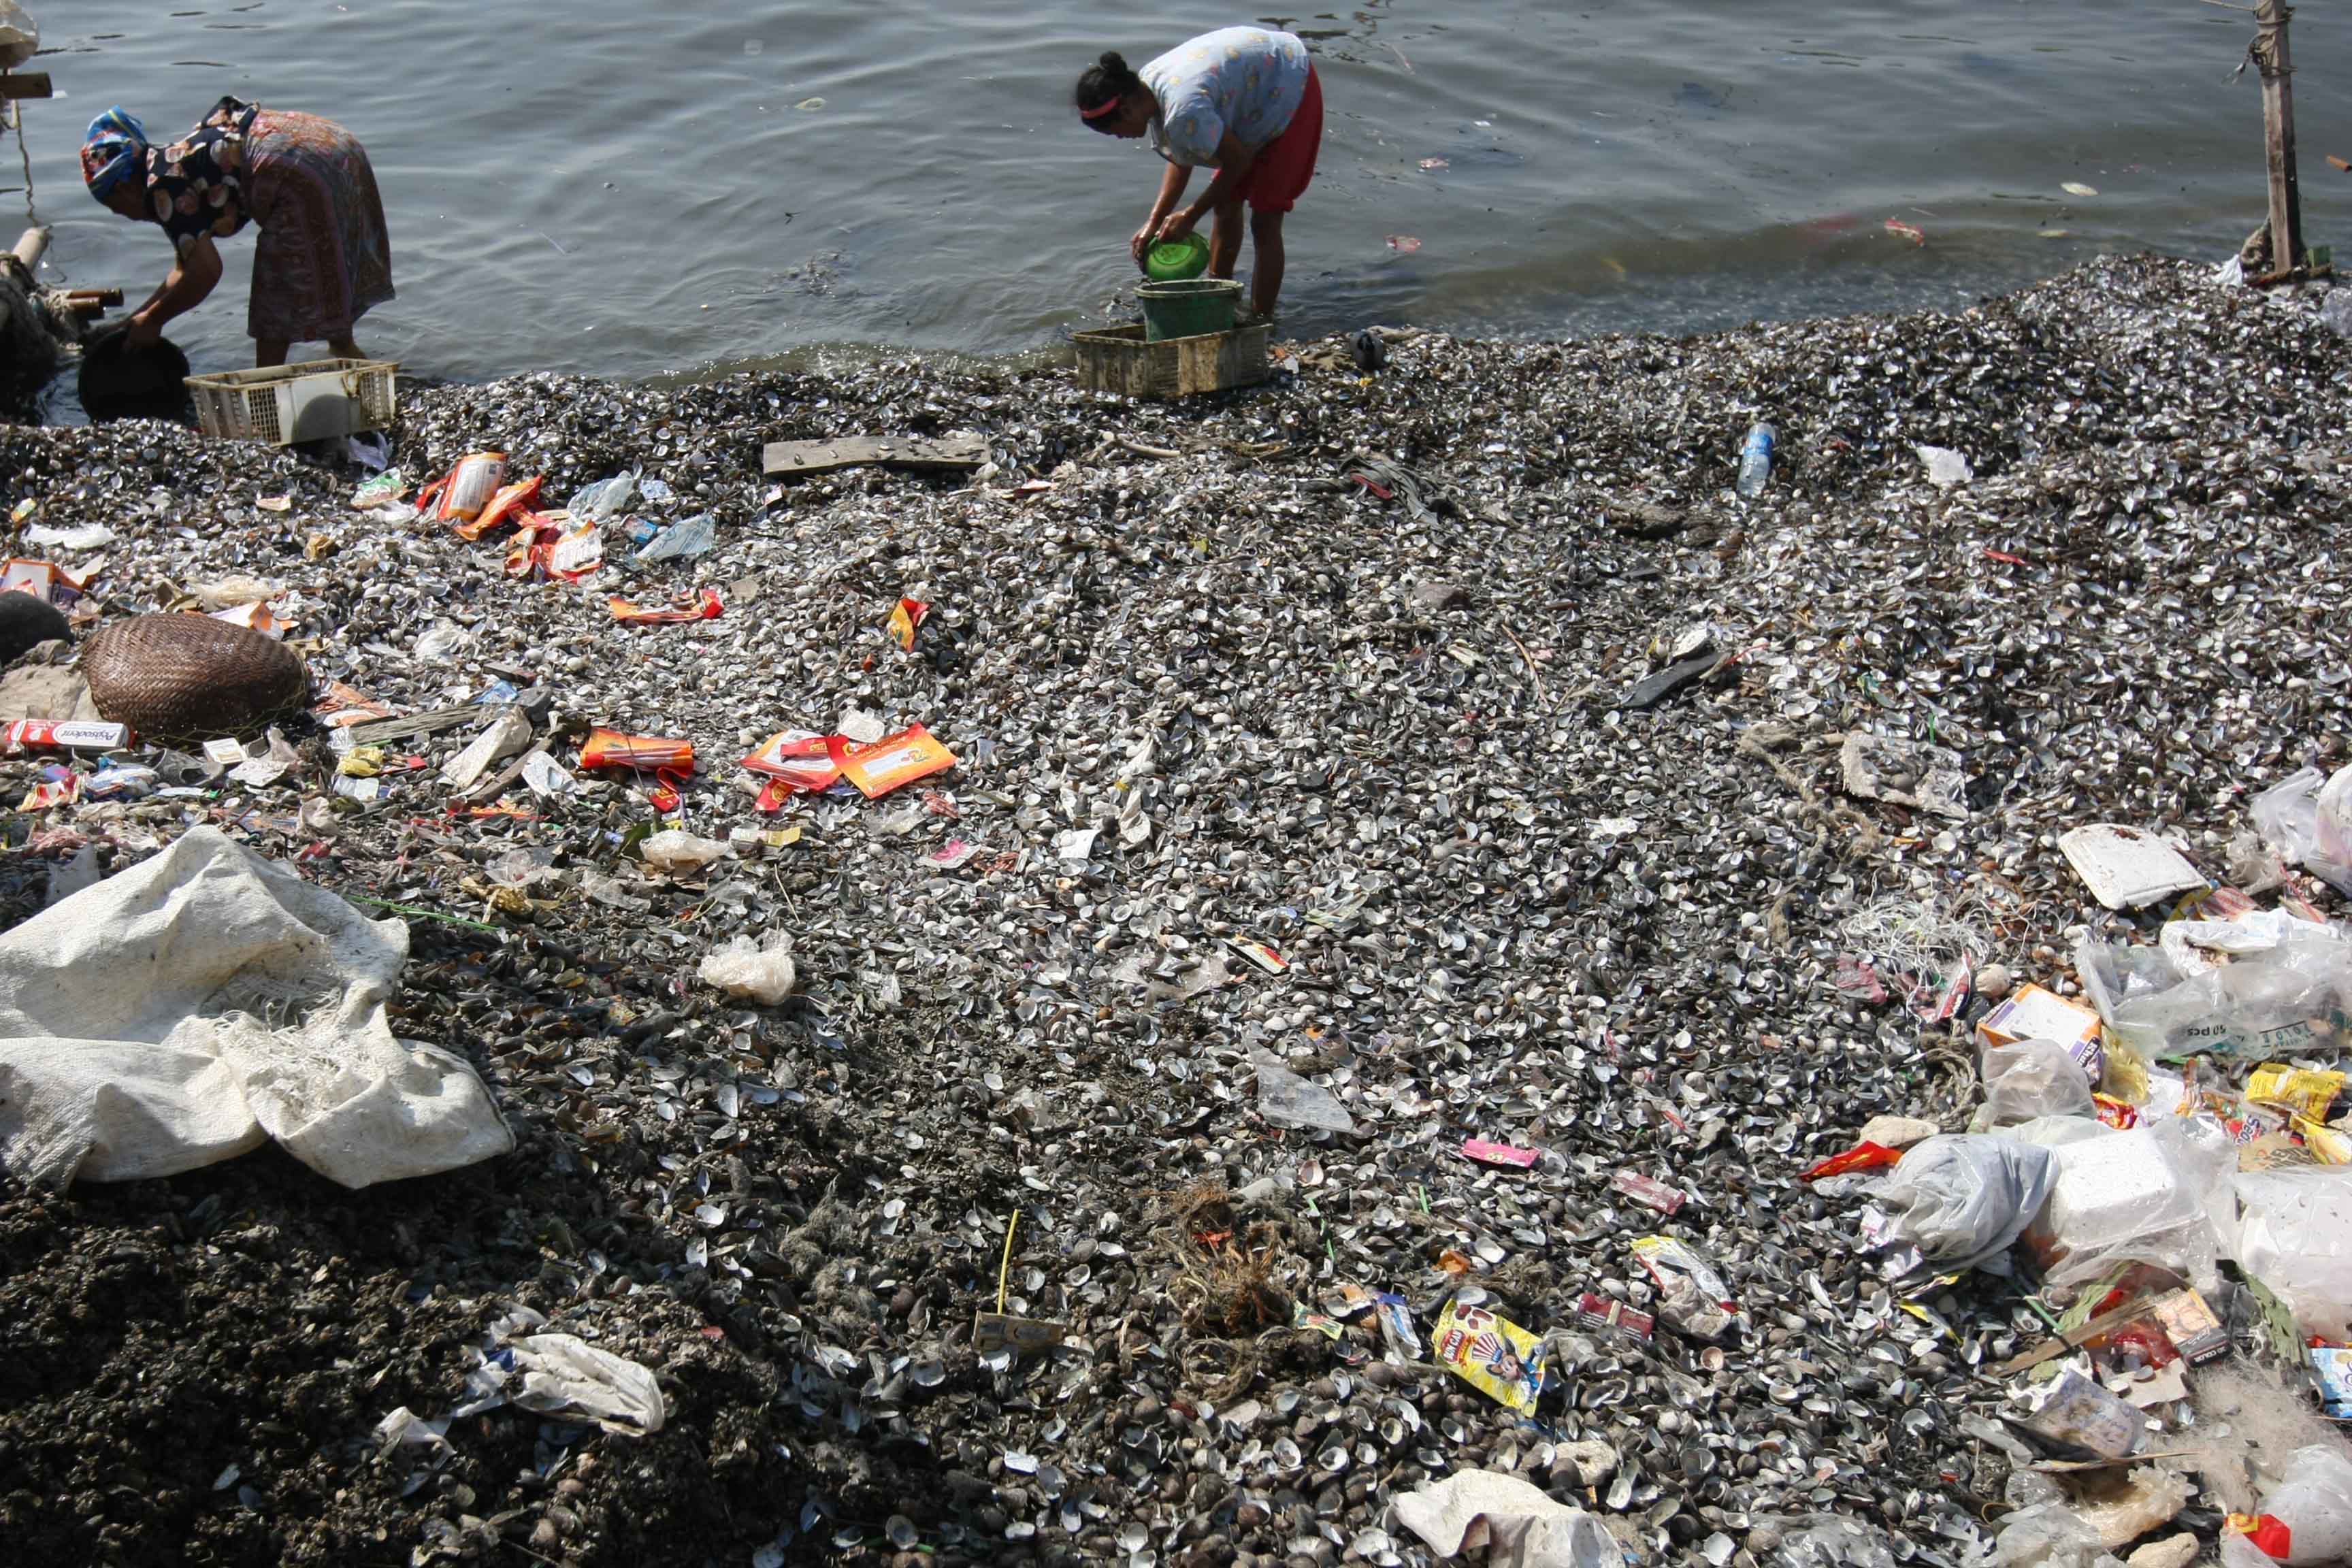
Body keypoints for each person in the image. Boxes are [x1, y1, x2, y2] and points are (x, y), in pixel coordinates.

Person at [80, 98, 394, 368]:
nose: (120, 214)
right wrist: (136, 321)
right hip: (334, 146)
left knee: (275, 290)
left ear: (123, 190)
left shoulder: (163, 190)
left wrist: (154, 321)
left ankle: (264, 391)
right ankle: (344, 349)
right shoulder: (173, 164)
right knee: (329, 259)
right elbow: (184, 270)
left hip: (296, 171)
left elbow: (205, 272)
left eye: (113, 205)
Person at [1074, 27, 1322, 319]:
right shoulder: (1148, 90)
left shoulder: (1182, 108)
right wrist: (1154, 221)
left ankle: (1261, 320)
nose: (1118, 138)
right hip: (1255, 89)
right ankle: (1220, 299)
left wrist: (1190, 216)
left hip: (1290, 84)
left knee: (1265, 218)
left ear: (1127, 110)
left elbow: (1238, 162)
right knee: (1226, 203)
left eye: (1113, 131)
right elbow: (1182, 154)